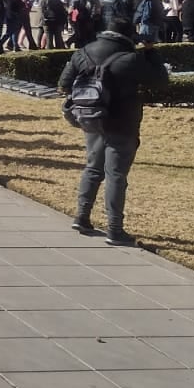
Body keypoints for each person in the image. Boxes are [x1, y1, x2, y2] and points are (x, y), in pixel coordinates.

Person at [58, 16, 168, 247]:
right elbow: (160, 81)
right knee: (116, 175)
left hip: (91, 119)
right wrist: (151, 53)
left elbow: (64, 83)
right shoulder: (131, 59)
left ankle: (82, 216)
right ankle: (114, 229)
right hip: (123, 122)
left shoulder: (84, 52)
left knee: (92, 168)